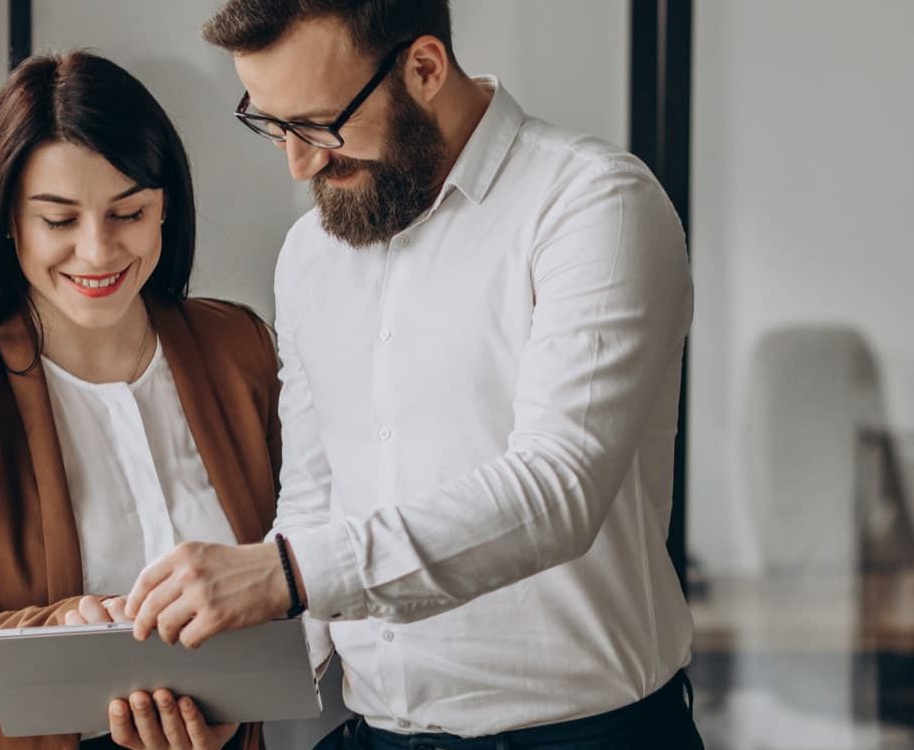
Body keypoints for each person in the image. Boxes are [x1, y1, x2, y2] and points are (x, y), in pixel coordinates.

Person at [121, 2, 702, 747]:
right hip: (374, 730)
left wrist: (287, 573)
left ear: (424, 68)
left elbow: (558, 488)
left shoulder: (592, 205)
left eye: (319, 124)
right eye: (271, 124)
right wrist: (234, 702)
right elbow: (316, 498)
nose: (299, 164)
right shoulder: (309, 255)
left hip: (584, 734)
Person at [0, 50, 279, 750]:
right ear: (9, 221)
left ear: (165, 211)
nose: (97, 252)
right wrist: (62, 633)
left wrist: (230, 705)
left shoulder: (238, 347)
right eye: (58, 221)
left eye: (128, 212)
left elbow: (296, 566)